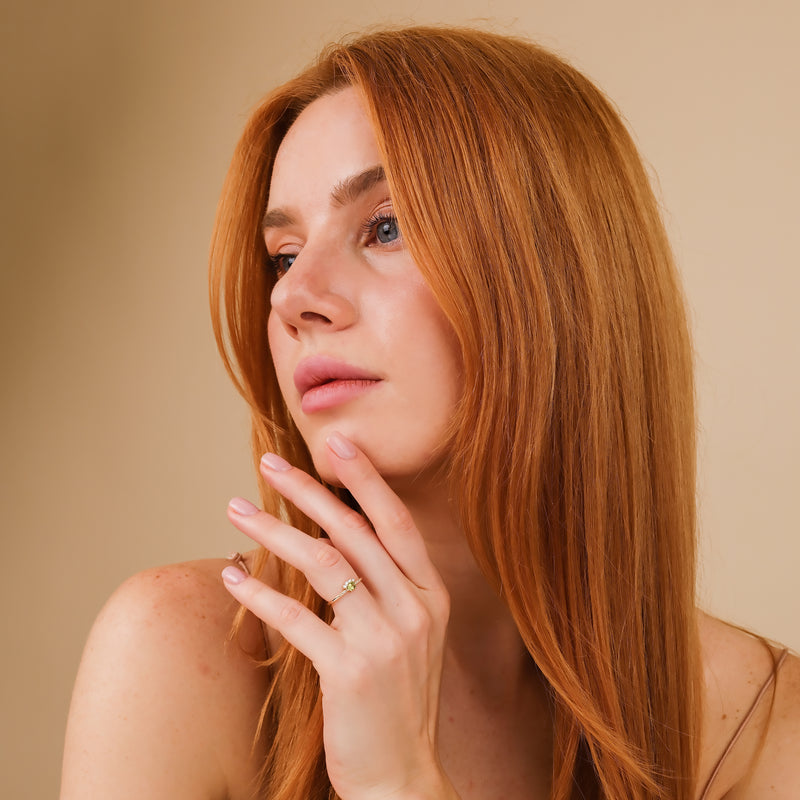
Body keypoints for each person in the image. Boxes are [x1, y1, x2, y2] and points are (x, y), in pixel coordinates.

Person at [60, 26, 799, 800]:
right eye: (283, 254)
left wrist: (398, 785)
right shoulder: (182, 658)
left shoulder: (761, 726)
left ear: (556, 279)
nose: (292, 296)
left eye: (385, 227)